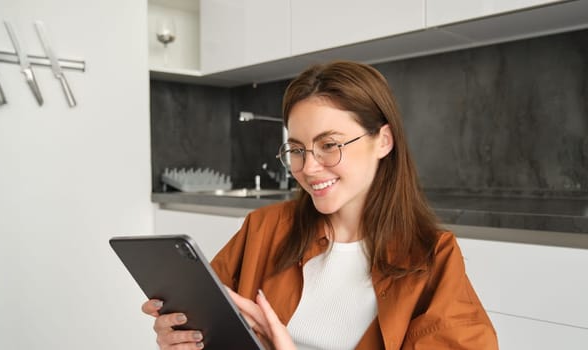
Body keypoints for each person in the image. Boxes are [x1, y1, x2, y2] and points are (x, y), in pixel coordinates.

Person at [141, 61, 498, 349]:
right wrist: (182, 338)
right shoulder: (263, 228)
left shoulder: (433, 258)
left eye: (330, 144)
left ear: (383, 141)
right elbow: (212, 328)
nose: (308, 167)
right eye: (297, 149)